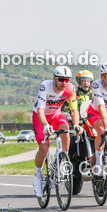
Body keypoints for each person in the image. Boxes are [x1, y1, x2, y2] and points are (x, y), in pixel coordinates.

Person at [32, 65, 79, 198]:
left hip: (56, 114)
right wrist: (45, 125)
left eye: (67, 80)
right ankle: (38, 176)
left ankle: (64, 161)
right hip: (40, 117)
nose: (64, 83)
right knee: (44, 146)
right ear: (54, 79)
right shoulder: (45, 86)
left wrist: (76, 124)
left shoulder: (70, 89)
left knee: (66, 131)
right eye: (61, 80)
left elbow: (74, 110)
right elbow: (40, 110)